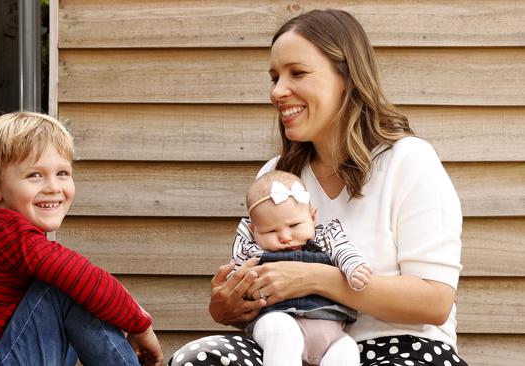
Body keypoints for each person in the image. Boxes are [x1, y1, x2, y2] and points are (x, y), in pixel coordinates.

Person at [169, 9, 467, 366]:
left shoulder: (408, 161)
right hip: (296, 350)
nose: (278, 91)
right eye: (274, 77)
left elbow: (434, 302)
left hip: (401, 350)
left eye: (297, 73)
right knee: (200, 358)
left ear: (346, 77)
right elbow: (261, 280)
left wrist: (314, 278)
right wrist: (230, 306)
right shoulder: (276, 175)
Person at [0, 112, 163, 366]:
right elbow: (83, 277)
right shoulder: (7, 234)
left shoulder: (14, 237)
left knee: (74, 284)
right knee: (68, 285)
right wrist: (140, 325)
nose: (53, 186)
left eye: (62, 173)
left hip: (1, 354)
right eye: (35, 175)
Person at [230, 169, 370, 365]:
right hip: (277, 319)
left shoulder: (325, 239)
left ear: (312, 218)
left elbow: (343, 250)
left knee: (347, 351)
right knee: (283, 334)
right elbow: (236, 277)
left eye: (294, 225)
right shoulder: (253, 251)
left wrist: (354, 267)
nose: (285, 237)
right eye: (271, 230)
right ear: (254, 231)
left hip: (332, 335)